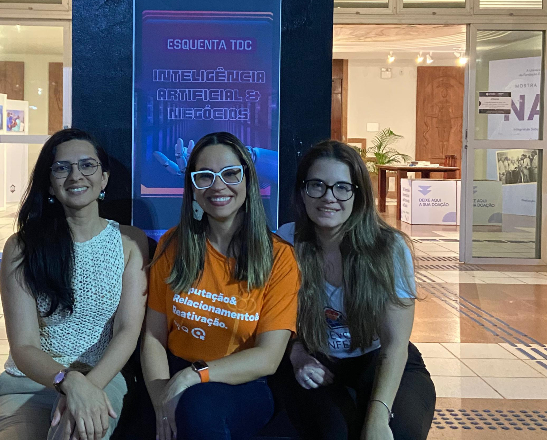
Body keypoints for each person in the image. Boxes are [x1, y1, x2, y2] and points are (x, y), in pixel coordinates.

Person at [0, 128, 149, 440]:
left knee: (77, 434)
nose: (76, 176)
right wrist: (67, 381)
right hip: (29, 383)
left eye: (87, 165)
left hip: (101, 376)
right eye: (62, 168)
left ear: (103, 178)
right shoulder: (22, 247)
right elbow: (23, 345)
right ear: (49, 182)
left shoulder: (130, 243)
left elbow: (128, 330)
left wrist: (86, 386)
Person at [141, 132, 300, 440]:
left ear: (247, 181)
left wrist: (192, 377)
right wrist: (161, 398)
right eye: (205, 176)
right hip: (172, 376)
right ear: (193, 187)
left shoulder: (278, 256)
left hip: (241, 384)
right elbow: (153, 337)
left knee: (198, 406)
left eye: (230, 173)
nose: (217, 186)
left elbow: (268, 358)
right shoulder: (171, 245)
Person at [274, 140, 436, 440]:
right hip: (316, 360)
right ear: (302, 191)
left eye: (342, 187)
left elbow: (394, 344)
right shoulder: (285, 242)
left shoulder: (388, 249)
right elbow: (273, 323)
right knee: (334, 431)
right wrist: (297, 356)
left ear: (358, 194)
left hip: (380, 359)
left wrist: (377, 417)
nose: (328, 197)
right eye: (317, 185)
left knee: (397, 432)